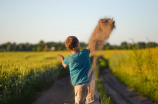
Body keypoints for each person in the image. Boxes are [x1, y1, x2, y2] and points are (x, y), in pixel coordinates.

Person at [57, 36, 100, 104]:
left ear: (68, 48)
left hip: (78, 85)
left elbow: (64, 65)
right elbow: (91, 46)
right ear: (77, 44)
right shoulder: (85, 53)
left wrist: (62, 58)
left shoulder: (68, 58)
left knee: (78, 102)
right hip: (90, 83)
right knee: (93, 102)